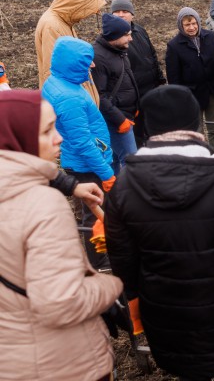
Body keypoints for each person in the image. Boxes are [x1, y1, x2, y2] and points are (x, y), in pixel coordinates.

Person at [105, 85, 214, 381]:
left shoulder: (124, 187)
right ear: (194, 121)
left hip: (168, 314)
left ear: (148, 125)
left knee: (191, 368)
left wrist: (136, 295)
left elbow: (123, 261)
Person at [0, 89, 123, 381]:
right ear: (17, 138)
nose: (59, 138)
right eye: (46, 131)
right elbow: (61, 303)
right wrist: (111, 285)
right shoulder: (42, 205)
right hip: (60, 362)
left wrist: (70, 185)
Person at [41, 37, 115, 269]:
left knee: (90, 211)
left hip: (79, 159)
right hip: (87, 164)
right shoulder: (69, 97)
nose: (92, 65)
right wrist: (106, 173)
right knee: (94, 212)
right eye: (87, 61)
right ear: (72, 62)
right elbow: (82, 142)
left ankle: (99, 257)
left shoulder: (57, 81)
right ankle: (99, 261)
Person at [34, 0, 105, 102]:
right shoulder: (52, 26)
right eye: (86, 8)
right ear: (77, 3)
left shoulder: (64, 22)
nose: (86, 16)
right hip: (70, 104)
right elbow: (53, 73)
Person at [165, 7, 214, 153]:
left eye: (193, 23)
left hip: (212, 91)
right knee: (197, 131)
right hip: (191, 96)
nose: (191, 27)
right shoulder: (174, 46)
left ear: (198, 22)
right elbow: (174, 77)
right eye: (187, 25)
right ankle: (201, 157)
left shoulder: (210, 37)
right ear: (181, 26)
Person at [110, 0, 166, 146]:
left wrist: (160, 79)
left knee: (154, 129)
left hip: (150, 90)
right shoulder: (112, 39)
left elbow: (152, 55)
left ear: (132, 14)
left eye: (125, 11)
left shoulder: (140, 30)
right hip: (132, 96)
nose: (121, 14)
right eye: (117, 11)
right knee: (137, 134)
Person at [92, 13, 140, 174]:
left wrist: (135, 106)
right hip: (115, 121)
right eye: (126, 35)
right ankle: (128, 189)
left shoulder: (118, 50)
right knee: (131, 162)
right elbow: (99, 95)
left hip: (126, 114)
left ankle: (117, 188)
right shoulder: (99, 58)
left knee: (113, 159)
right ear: (114, 36)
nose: (130, 39)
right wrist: (120, 120)